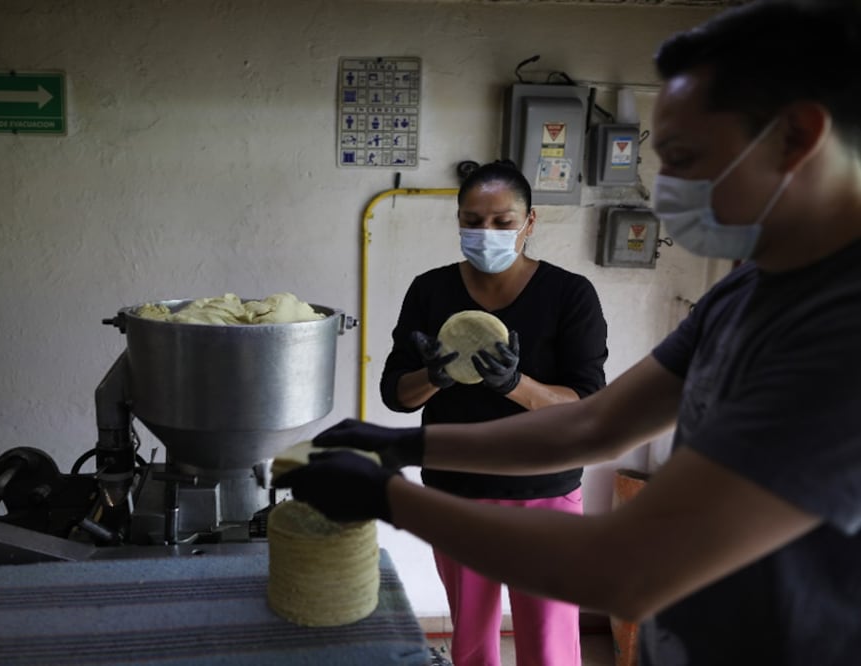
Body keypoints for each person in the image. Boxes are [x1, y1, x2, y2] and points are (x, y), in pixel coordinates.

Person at [275, 1, 861, 664]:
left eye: (682, 157)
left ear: (795, 137)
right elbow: (593, 425)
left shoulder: (841, 334)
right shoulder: (743, 292)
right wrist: (401, 443)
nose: (663, 187)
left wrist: (388, 497)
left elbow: (628, 569)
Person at [379, 159, 607, 666]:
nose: (487, 233)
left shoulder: (569, 295)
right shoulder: (430, 291)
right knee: (473, 645)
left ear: (530, 221)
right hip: (456, 493)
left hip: (543, 491)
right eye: (473, 221)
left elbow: (588, 401)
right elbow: (396, 393)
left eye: (503, 222)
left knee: (549, 647)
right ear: (458, 220)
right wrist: (434, 376)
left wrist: (514, 384)